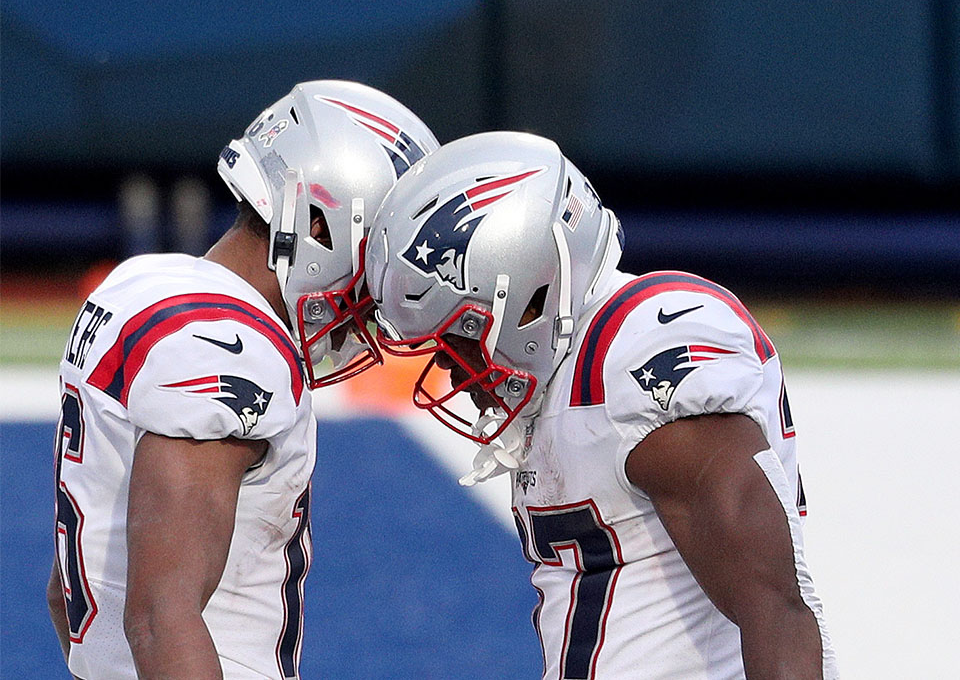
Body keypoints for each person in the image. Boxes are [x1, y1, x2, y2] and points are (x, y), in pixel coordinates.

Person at [363, 131, 839, 678]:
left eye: (459, 335)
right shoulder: (562, 376)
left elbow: (776, 606)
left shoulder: (638, 350)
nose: (450, 366)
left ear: (527, 293)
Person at [47, 80, 438, 679]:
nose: (380, 293)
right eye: (379, 253)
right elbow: (159, 617)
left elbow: (67, 585)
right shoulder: (235, 348)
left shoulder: (136, 284)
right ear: (320, 224)